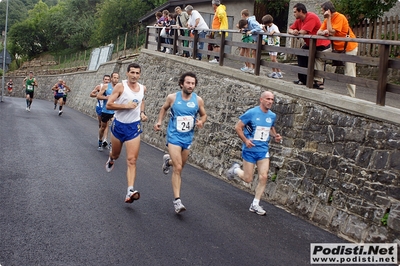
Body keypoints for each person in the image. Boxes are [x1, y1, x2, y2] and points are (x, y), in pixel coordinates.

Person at [153, 72, 207, 214]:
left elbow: (204, 114)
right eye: (188, 83)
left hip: (187, 138)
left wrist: (201, 121)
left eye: (193, 83)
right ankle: (177, 201)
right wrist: (159, 121)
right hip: (174, 137)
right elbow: (164, 108)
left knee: (180, 165)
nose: (190, 86)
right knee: (178, 168)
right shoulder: (172, 98)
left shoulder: (198, 100)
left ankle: (167, 161)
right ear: (182, 83)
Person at [226, 91, 282, 216]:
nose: (270, 101)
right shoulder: (251, 113)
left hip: (263, 150)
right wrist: (245, 140)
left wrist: (275, 136)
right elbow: (238, 127)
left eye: (272, 99)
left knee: (264, 176)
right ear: (261, 100)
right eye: (267, 99)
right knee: (248, 179)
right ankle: (235, 170)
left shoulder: (272, 115)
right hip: (250, 150)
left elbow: (271, 129)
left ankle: (255, 204)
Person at [104, 63, 148, 204]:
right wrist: (125, 106)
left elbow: (141, 101)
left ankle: (130, 190)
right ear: (127, 73)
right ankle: (111, 159)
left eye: (137, 73)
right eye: (132, 73)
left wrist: (142, 113)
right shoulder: (120, 87)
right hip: (119, 126)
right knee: (116, 154)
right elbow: (109, 104)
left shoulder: (142, 88)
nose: (134, 76)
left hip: (133, 127)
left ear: (140, 74)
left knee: (132, 160)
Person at [317, 1, 358, 97]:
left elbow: (331, 31)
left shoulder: (340, 17)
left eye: (323, 11)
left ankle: (351, 95)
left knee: (349, 71)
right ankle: (318, 81)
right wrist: (325, 31)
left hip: (348, 47)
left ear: (328, 11)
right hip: (336, 48)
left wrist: (329, 21)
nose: (322, 13)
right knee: (319, 57)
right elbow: (319, 32)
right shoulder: (327, 20)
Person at [288, 3, 331, 89]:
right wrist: (293, 32)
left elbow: (304, 31)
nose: (294, 14)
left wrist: (297, 32)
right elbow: (290, 29)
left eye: (295, 12)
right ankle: (303, 79)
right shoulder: (299, 20)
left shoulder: (311, 17)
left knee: (316, 59)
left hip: (321, 43)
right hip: (311, 43)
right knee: (301, 54)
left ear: (301, 11)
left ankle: (318, 82)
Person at [96, 72, 119, 151]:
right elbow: (98, 96)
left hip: (115, 111)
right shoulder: (106, 86)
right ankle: (100, 141)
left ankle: (111, 143)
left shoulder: (120, 87)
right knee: (102, 127)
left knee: (115, 126)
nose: (116, 79)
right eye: (114, 77)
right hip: (106, 110)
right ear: (111, 78)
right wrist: (106, 98)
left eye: (117, 78)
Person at [240, 9, 264, 74]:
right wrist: (243, 29)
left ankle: (254, 68)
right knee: (253, 52)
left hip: (260, 37)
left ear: (243, 15)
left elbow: (259, 28)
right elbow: (248, 28)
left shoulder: (251, 21)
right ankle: (253, 68)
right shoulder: (248, 22)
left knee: (255, 53)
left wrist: (251, 31)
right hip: (256, 37)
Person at [90, 75, 111, 148]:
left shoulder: (111, 88)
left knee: (106, 123)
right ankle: (100, 137)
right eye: (105, 79)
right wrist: (99, 95)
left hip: (107, 108)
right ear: (103, 80)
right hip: (99, 107)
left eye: (108, 79)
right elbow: (91, 94)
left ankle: (105, 140)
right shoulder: (99, 87)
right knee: (101, 125)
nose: (107, 81)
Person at [262, 15, 283, 79]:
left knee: (274, 59)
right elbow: (268, 33)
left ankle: (279, 73)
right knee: (271, 59)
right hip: (270, 43)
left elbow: (279, 34)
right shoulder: (268, 27)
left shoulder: (274, 27)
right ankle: (274, 72)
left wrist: (274, 31)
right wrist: (264, 29)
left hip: (275, 44)